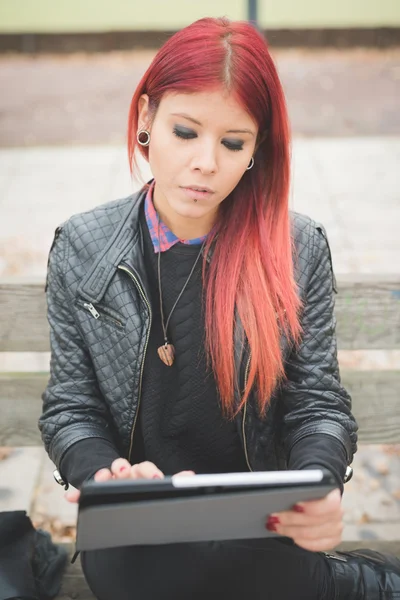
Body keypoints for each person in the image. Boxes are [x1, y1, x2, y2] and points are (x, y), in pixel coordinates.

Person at [38, 16, 400, 600]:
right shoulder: (83, 245)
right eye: (186, 132)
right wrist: (104, 475)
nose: (207, 162)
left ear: (257, 151)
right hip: (139, 531)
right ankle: (344, 586)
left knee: (235, 564)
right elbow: (71, 408)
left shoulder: (295, 245)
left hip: (256, 522)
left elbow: (318, 402)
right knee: (147, 575)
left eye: (234, 143)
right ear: (146, 120)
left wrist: (322, 484)